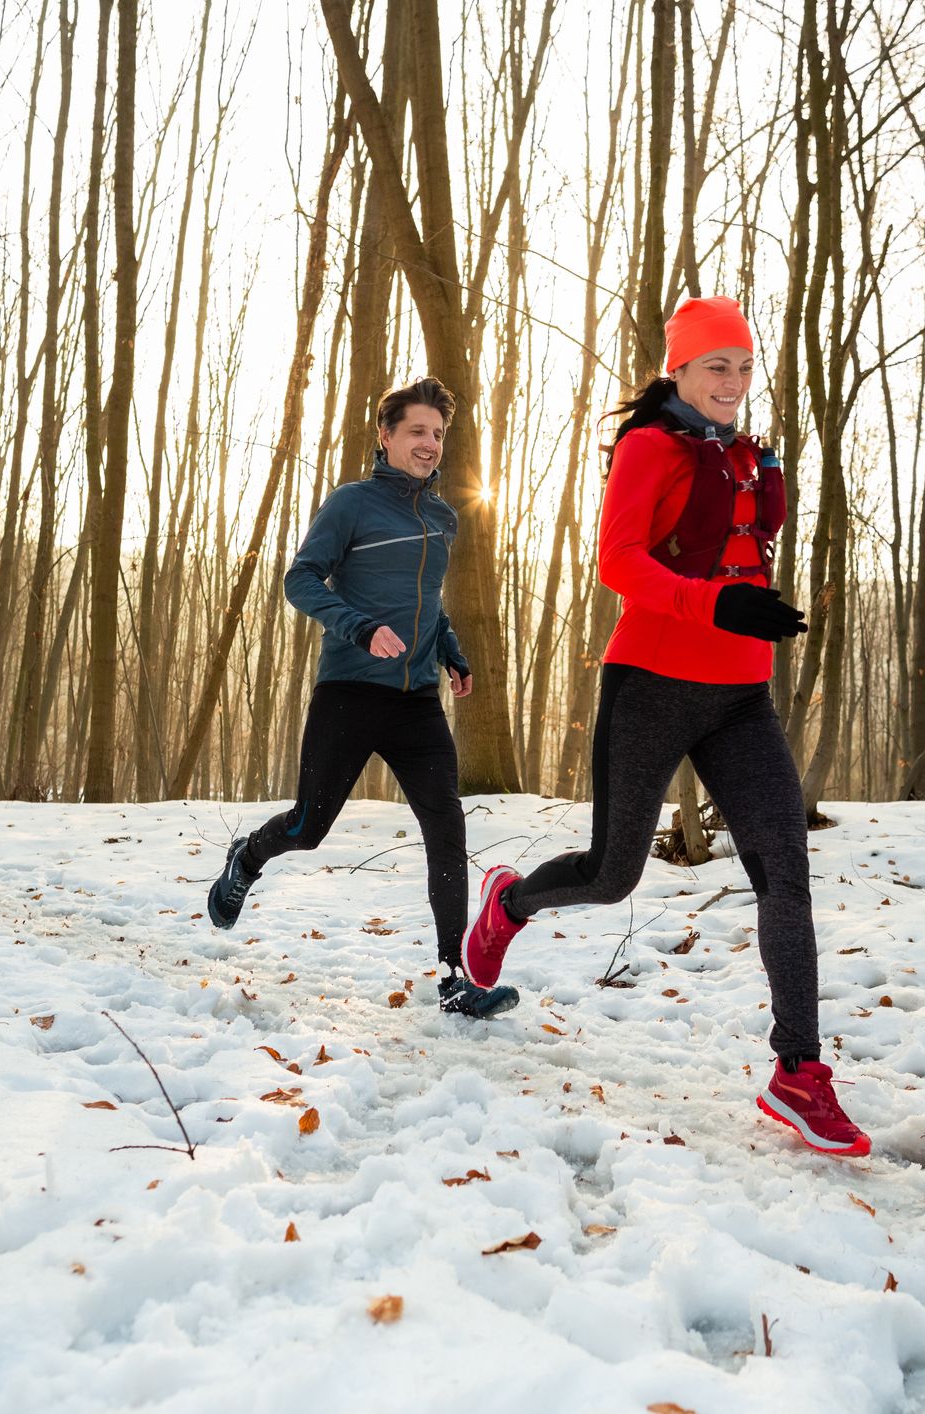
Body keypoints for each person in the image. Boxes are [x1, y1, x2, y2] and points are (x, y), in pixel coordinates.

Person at [459, 297, 872, 1156]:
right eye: (715, 365)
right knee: (612, 876)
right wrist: (716, 603)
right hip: (649, 683)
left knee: (783, 870)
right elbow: (618, 561)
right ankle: (509, 904)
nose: (732, 381)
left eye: (743, 366)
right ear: (676, 371)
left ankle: (797, 1071)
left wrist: (748, 612)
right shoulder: (649, 447)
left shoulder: (749, 459)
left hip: (740, 699)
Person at [207, 377, 518, 1020]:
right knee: (307, 827)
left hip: (416, 703)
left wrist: (450, 650)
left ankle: (453, 975)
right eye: (416, 432)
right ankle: (248, 857)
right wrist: (359, 627)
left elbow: (427, 605)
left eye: (437, 434)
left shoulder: (442, 516)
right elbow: (300, 579)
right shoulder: (351, 504)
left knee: (447, 829)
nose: (430, 444)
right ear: (385, 436)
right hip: (350, 691)